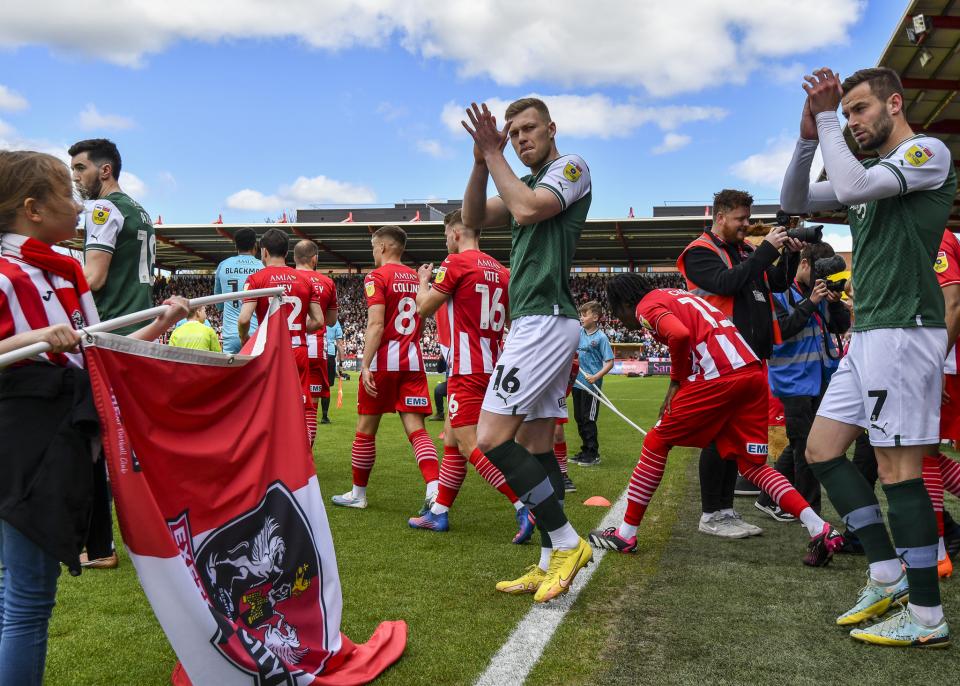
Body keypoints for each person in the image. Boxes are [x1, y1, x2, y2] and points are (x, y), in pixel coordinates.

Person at [781, 66, 955, 646]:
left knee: (897, 470)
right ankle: (885, 573)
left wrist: (828, 114)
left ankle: (928, 618)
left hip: (906, 331)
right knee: (822, 450)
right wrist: (810, 136)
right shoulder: (871, 175)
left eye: (859, 110)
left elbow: (851, 188)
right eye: (847, 111)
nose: (852, 121)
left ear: (895, 105)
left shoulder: (927, 151)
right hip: (872, 333)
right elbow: (793, 199)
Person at [0, 150, 187, 685]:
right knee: (28, 596)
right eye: (68, 195)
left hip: (60, 434)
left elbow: (99, 354)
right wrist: (32, 338)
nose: (81, 209)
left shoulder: (64, 272)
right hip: (21, 438)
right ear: (33, 209)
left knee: (20, 592)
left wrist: (162, 320)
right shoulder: (7, 272)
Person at [590, 275, 844, 567]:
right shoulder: (675, 295)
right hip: (751, 373)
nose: (623, 321)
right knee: (751, 466)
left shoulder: (646, 306)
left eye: (618, 314)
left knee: (656, 441)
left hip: (720, 377)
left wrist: (676, 381)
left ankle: (626, 534)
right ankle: (819, 528)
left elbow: (679, 334)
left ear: (624, 303)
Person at [462, 97, 592, 603]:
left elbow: (525, 209)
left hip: (544, 323)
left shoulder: (570, 168)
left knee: (491, 439)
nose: (520, 140)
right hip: (536, 323)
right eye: (512, 134)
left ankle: (566, 543)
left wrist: (495, 156)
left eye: (528, 129)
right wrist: (480, 161)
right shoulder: (527, 179)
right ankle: (545, 562)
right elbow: (472, 219)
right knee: (537, 448)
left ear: (552, 128)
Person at [676, 188, 803, 539]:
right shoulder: (700, 251)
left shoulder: (746, 251)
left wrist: (788, 256)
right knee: (718, 436)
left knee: (734, 439)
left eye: (748, 219)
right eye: (740, 219)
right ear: (720, 217)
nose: (747, 225)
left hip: (750, 358)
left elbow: (777, 282)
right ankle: (710, 513)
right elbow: (725, 282)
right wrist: (766, 251)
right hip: (721, 358)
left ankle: (726, 510)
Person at [407, 209, 536, 545]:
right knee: (451, 441)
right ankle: (439, 512)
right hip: (492, 365)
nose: (447, 241)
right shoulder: (501, 270)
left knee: (469, 444)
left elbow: (423, 308)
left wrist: (422, 282)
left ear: (455, 233)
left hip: (466, 369)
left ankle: (524, 504)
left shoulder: (456, 263)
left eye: (446, 235)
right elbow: (509, 318)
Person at [70, 137, 156, 570]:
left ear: (104, 170)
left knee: (92, 442)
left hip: (110, 335)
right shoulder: (140, 210)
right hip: (142, 333)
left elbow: (95, 278)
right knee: (140, 441)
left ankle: (98, 546)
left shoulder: (102, 210)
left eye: (80, 169)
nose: (76, 178)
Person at [331, 226, 440, 513]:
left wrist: (365, 364)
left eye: (373, 248)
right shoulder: (417, 279)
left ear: (382, 247)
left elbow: (376, 324)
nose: (372, 252)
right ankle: (434, 489)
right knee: (417, 430)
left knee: (365, 430)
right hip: (413, 361)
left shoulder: (377, 277)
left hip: (384, 363)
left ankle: (358, 494)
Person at [754, 243, 850, 521]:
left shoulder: (817, 293)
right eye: (819, 271)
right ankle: (808, 509)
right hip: (793, 380)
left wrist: (833, 303)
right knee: (806, 446)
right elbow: (781, 330)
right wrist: (811, 303)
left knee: (803, 443)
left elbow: (839, 326)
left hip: (819, 378)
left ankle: (766, 496)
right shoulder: (780, 292)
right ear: (804, 263)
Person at [237, 228, 324, 445]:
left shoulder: (256, 279)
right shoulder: (304, 281)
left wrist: (246, 339)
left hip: (270, 351)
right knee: (303, 406)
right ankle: (303, 459)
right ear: (286, 253)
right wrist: (298, 331)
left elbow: (244, 319)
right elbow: (319, 321)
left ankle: (271, 458)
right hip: (298, 349)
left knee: (265, 405)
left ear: (263, 252)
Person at [922, 228, 960, 578]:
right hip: (940, 362)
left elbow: (952, 303)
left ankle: (938, 552)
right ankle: (937, 549)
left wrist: (933, 366)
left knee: (921, 456)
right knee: (921, 455)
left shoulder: (938, 236)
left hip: (945, 366)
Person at [293, 240, 339, 445]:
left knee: (288, 404)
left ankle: (289, 457)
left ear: (294, 258)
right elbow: (330, 321)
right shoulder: (327, 282)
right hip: (316, 348)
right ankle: (306, 459)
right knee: (311, 406)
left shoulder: (285, 279)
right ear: (315, 259)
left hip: (291, 345)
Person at [569, 301, 614, 467]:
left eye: (584, 314)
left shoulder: (601, 338)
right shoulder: (579, 332)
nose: (581, 317)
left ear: (595, 317)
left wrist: (595, 377)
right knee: (579, 418)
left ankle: (593, 454)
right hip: (577, 383)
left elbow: (609, 362)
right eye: (580, 314)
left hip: (591, 387)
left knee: (589, 419)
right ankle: (585, 451)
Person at [214, 227, 261, 354]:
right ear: (255, 245)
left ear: (236, 246)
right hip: (256, 333)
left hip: (231, 334)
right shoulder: (262, 266)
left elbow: (218, 305)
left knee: (232, 373)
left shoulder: (223, 265)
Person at [322, 318, 345, 423]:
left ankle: (308, 415)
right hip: (330, 355)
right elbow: (340, 344)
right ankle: (324, 416)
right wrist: (341, 363)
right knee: (326, 387)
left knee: (312, 385)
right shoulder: (335, 322)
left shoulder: (317, 316)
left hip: (316, 352)